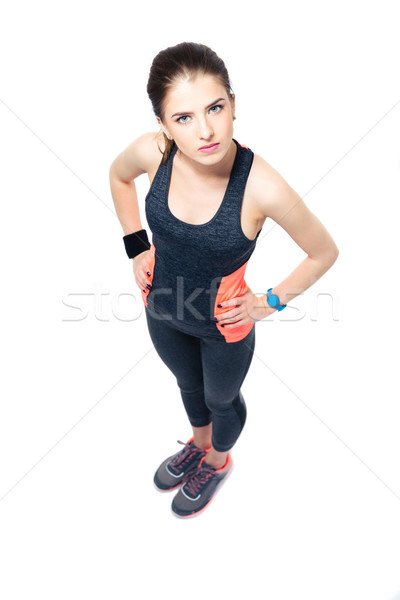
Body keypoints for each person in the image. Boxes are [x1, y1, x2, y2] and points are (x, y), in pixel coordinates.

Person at [109, 42, 339, 519]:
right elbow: (118, 176)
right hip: (162, 310)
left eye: (215, 107)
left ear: (234, 103)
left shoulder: (262, 186)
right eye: (184, 118)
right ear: (164, 125)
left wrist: (266, 303)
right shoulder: (155, 154)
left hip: (224, 329)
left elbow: (324, 252)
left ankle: (216, 461)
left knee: (220, 398)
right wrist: (137, 246)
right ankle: (197, 444)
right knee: (188, 388)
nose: (206, 130)